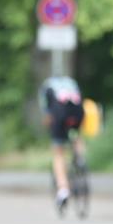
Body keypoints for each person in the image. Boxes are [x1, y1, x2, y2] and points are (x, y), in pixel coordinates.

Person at [39, 75, 86, 213]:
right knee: (77, 135)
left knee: (58, 152)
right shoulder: (72, 83)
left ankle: (63, 189)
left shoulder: (47, 87)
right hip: (78, 112)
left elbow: (47, 112)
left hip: (60, 113)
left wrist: (48, 126)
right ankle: (80, 158)